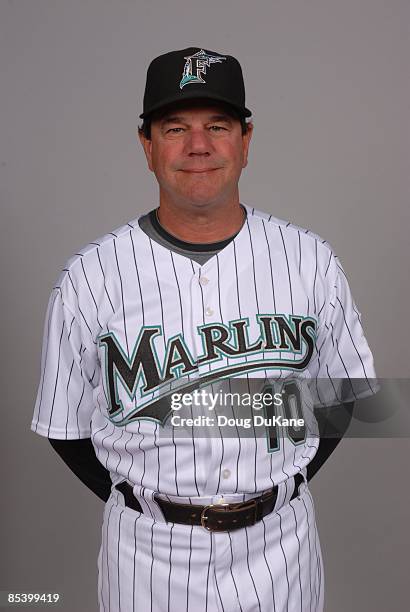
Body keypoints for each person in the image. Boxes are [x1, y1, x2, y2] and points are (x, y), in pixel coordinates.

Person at [31, 47, 377, 612]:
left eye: (217, 125)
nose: (199, 146)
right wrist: (148, 500)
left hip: (281, 548)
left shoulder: (309, 259)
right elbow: (64, 426)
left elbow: (345, 396)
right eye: (176, 128)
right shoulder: (90, 275)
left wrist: (276, 484)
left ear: (245, 141)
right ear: (147, 146)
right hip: (145, 553)